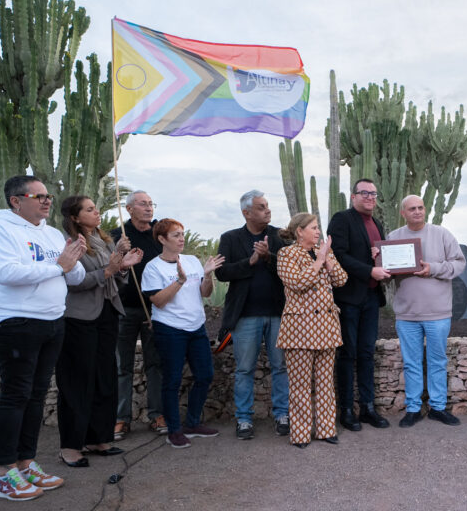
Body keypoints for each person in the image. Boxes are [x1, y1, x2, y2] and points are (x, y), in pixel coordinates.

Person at [0, 175, 86, 500]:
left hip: (52, 323)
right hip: (16, 323)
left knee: (37, 396)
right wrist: (60, 266)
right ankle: (4, 474)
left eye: (48, 195)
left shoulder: (52, 234)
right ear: (16, 201)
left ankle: (26, 464)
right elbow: (6, 273)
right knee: (15, 395)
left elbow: (74, 276)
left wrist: (74, 261)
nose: (46, 200)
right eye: (38, 195)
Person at [54, 196, 143, 467]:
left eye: (97, 208)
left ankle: (98, 438)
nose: (97, 213)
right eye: (90, 210)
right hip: (79, 317)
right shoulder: (69, 244)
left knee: (105, 376)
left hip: (107, 313)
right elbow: (74, 282)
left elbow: (115, 277)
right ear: (75, 217)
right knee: (77, 381)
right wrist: (109, 270)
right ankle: (71, 446)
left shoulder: (104, 241)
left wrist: (122, 267)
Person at [141, 218, 225, 448]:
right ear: (161, 239)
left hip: (196, 327)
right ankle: (174, 430)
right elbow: (158, 301)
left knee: (205, 375)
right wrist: (179, 280)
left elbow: (205, 293)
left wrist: (207, 275)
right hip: (169, 330)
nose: (182, 238)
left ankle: (193, 423)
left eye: (182, 233)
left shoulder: (192, 261)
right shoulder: (153, 267)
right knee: (172, 380)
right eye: (176, 235)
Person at [216, 190, 290, 440]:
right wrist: (251, 260)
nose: (267, 210)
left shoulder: (279, 236)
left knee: (281, 366)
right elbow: (222, 273)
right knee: (245, 369)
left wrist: (268, 257)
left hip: (278, 314)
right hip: (246, 315)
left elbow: (289, 269)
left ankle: (283, 414)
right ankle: (244, 419)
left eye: (267, 206)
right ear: (246, 212)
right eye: (261, 207)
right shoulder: (230, 238)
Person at [388, 195, 466, 427]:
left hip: (438, 313)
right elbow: (386, 273)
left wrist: (434, 268)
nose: (418, 212)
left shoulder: (442, 234)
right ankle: (413, 408)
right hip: (407, 314)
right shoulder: (393, 237)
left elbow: (459, 264)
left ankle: (438, 408)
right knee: (411, 363)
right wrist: (381, 263)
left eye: (421, 207)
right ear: (403, 213)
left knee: (437, 361)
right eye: (412, 209)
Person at [276, 213, 348, 448]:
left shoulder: (326, 253)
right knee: (299, 386)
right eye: (314, 228)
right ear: (300, 231)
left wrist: (326, 259)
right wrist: (318, 261)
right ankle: (300, 434)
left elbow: (341, 280)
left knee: (326, 383)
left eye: (318, 228)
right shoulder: (286, 254)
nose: (318, 232)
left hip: (326, 328)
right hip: (299, 330)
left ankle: (327, 429)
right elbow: (297, 283)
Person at [327, 178, 392, 430]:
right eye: (364, 193)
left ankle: (367, 408)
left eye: (373, 193)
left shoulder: (376, 223)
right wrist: (369, 271)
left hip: (372, 298)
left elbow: (376, 253)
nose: (369, 197)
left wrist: (380, 262)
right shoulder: (342, 219)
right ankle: (346, 410)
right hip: (349, 298)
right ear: (353, 196)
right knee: (348, 354)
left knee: (366, 354)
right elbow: (338, 255)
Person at [111, 191, 165, 440]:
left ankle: (156, 415)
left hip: (156, 309)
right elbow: (108, 269)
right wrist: (118, 252)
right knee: (123, 366)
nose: (149, 208)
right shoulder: (117, 236)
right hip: (124, 309)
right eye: (143, 204)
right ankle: (121, 418)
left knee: (155, 364)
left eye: (151, 204)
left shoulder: (160, 234)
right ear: (129, 208)